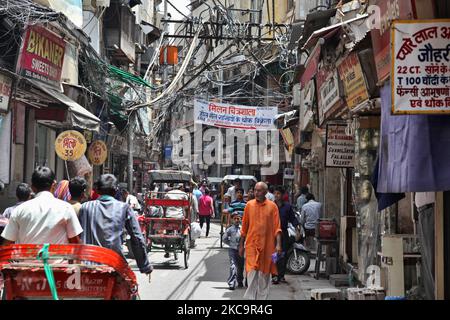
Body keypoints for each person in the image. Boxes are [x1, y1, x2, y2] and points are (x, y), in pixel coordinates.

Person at [77, 174, 152, 275]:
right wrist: (144, 266)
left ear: (97, 190)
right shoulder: (123, 208)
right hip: (115, 266)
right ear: (116, 191)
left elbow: (76, 236)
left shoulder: (85, 207)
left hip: (87, 266)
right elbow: (137, 238)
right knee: (131, 288)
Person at [1, 166, 82, 245]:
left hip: (26, 258)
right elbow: (76, 243)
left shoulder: (19, 210)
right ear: (54, 185)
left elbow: (7, 243)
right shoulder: (66, 208)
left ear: (32, 188)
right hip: (58, 258)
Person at [239, 182, 282, 300]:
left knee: (264, 277)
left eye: (259, 190)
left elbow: (277, 227)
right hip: (251, 246)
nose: (256, 193)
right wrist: (241, 245)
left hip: (267, 247)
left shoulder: (272, 206)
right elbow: (244, 227)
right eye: (255, 190)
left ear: (266, 192)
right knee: (251, 275)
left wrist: (278, 245)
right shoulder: (249, 205)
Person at [272, 186, 298, 284]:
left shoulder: (287, 207)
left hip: (283, 232)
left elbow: (293, 218)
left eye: (278, 193)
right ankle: (274, 275)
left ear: (282, 195)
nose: (276, 195)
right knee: (274, 254)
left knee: (283, 254)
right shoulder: (271, 205)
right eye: (275, 193)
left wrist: (297, 228)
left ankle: (281, 275)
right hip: (272, 233)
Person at [223, 212, 244, 290]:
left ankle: (240, 281)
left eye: (238, 218)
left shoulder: (243, 229)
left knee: (241, 266)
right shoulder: (230, 229)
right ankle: (231, 283)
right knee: (233, 266)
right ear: (232, 220)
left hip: (241, 250)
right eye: (234, 218)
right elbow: (224, 239)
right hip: (232, 250)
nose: (236, 220)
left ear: (240, 219)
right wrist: (231, 244)